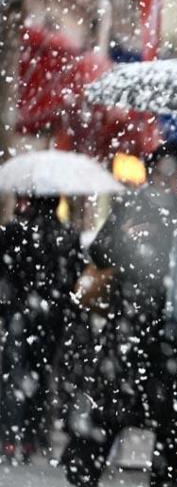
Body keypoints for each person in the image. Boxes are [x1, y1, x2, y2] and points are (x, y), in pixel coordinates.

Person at [60, 143, 177, 487]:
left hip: (166, 326)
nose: (171, 181)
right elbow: (99, 252)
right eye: (166, 173)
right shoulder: (137, 205)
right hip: (137, 322)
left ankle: (154, 482)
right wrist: (127, 239)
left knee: (162, 413)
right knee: (121, 406)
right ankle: (88, 473)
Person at [0, 194, 83, 463]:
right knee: (42, 373)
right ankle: (33, 436)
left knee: (14, 374)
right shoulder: (66, 234)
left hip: (19, 311)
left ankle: (11, 436)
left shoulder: (15, 230)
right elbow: (73, 276)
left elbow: (5, 271)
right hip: (51, 316)